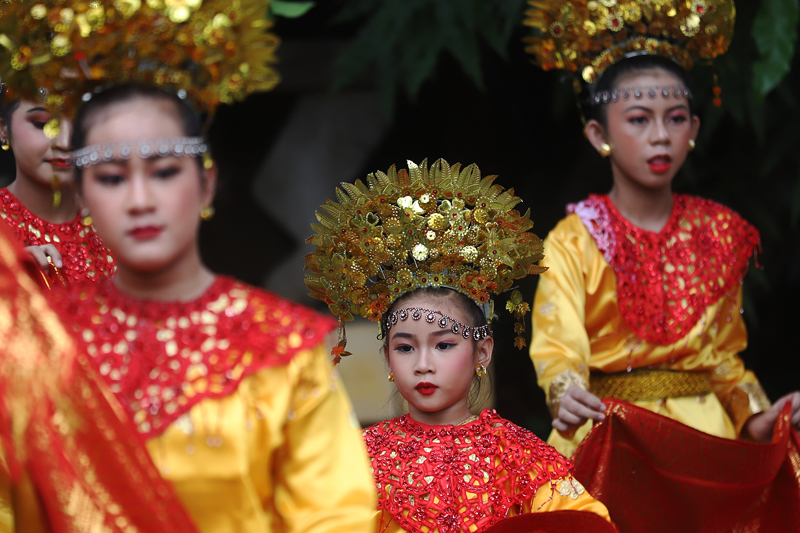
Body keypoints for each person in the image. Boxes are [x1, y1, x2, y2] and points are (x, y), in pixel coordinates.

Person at [524, 0, 800, 530]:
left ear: (693, 128)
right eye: (638, 119)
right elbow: (558, 346)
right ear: (598, 135)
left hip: (705, 443)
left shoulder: (718, 232)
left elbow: (723, 357)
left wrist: (756, 416)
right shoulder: (573, 239)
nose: (659, 136)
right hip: (614, 437)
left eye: (675, 119)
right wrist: (565, 393)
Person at [305, 159, 612, 532]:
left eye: (444, 345)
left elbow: (585, 523)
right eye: (405, 348)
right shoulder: (355, 459)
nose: (423, 364)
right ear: (386, 356)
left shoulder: (519, 456)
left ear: (482, 351)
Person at [0, 92, 115, 287]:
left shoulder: (119, 216)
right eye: (43, 124)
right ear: (4, 129)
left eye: (80, 125)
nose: (65, 142)